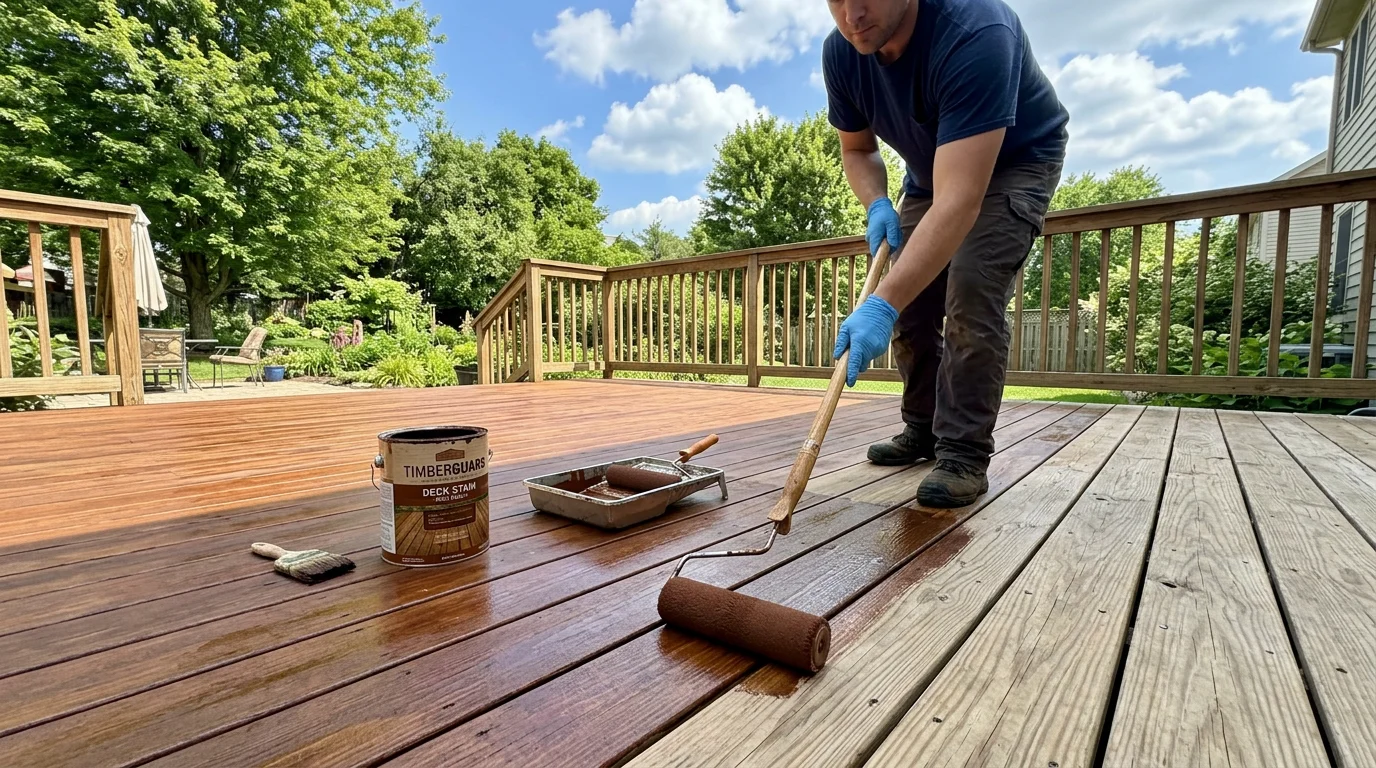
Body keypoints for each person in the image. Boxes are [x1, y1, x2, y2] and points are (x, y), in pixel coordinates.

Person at [824, 0, 1069, 508]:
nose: (852, 14)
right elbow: (858, 149)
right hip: (933, 173)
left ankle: (962, 453)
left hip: (1016, 162)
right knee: (910, 309)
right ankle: (924, 430)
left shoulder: (976, 29)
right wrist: (876, 203)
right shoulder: (843, 53)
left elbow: (960, 201)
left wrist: (879, 301)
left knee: (971, 294)